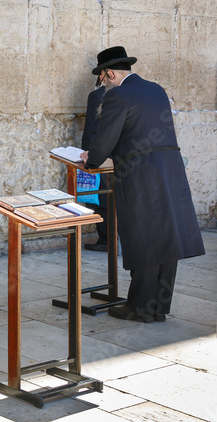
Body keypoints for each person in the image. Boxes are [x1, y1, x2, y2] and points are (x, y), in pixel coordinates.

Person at [80, 46, 205, 323]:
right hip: (170, 170)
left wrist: (91, 158)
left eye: (102, 78)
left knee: (143, 239)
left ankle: (139, 308)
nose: (103, 83)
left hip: (139, 175)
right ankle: (158, 307)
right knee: (165, 239)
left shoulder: (118, 96)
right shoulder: (156, 90)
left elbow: (105, 139)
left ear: (109, 73)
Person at [81, 80, 108, 252]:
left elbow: (91, 130)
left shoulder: (97, 96)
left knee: (101, 196)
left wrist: (87, 154)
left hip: (101, 154)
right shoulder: (131, 94)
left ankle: (106, 239)